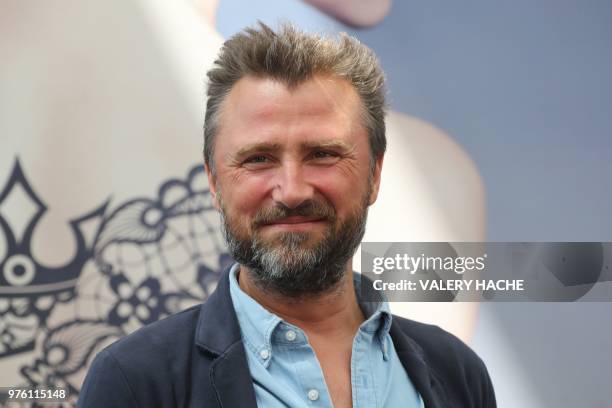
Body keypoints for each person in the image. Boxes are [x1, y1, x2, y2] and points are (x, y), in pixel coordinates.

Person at [78, 23, 495, 407]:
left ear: (375, 174)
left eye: (323, 154)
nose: (292, 191)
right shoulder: (135, 381)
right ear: (214, 182)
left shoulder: (457, 372)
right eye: (259, 158)